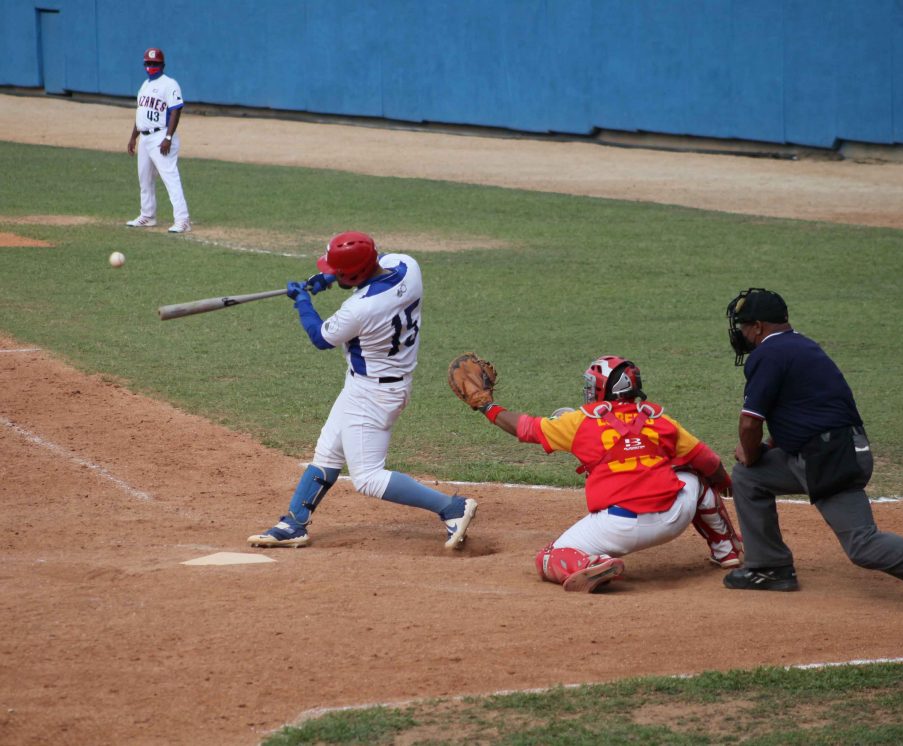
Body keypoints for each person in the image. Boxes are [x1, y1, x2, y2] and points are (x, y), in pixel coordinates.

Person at [722, 288, 903, 614]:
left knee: (861, 545)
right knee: (750, 477)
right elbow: (804, 411)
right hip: (838, 448)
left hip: (828, 458)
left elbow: (750, 424)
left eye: (744, 326)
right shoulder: (802, 346)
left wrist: (750, 451)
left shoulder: (768, 354)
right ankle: (769, 566)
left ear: (760, 326)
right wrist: (764, 451)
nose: (742, 334)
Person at [248, 231, 477, 549]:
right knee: (328, 450)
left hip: (374, 395)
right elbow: (380, 263)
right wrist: (328, 276)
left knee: (368, 477)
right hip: (370, 386)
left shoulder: (359, 308)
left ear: (353, 274)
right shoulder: (408, 267)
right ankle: (294, 523)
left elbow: (319, 336)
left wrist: (303, 300)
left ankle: (451, 507)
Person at [471, 355, 742, 592]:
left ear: (600, 389)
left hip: (620, 527)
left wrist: (487, 406)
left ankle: (595, 563)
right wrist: (724, 482)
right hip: (674, 517)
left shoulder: (580, 423)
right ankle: (726, 549)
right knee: (695, 476)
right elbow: (709, 461)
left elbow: (525, 428)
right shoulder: (659, 419)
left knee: (549, 558)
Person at [125, 47, 191, 234]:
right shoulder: (144, 86)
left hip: (161, 136)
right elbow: (141, 114)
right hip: (145, 137)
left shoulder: (169, 84)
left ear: (162, 65)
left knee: (170, 179)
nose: (151, 66)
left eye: (155, 63)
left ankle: (183, 220)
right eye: (148, 63)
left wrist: (168, 137)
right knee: (144, 178)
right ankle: (148, 216)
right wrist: (133, 137)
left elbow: (176, 110)